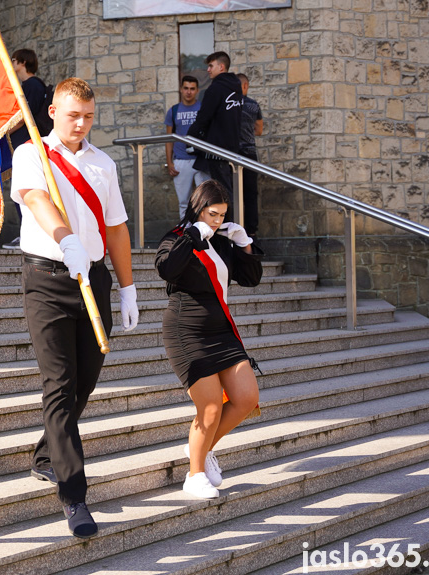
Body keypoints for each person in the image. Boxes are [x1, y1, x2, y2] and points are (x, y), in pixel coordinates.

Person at [11, 77, 139, 538]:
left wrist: (127, 287)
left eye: (88, 116)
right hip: (49, 279)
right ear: (52, 112)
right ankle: (74, 495)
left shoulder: (103, 162)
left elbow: (117, 227)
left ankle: (47, 454)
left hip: (94, 281)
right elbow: (36, 198)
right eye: (72, 116)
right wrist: (65, 240)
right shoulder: (31, 154)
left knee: (85, 379)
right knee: (60, 386)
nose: (81, 124)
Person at [154, 180, 263, 499]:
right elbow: (166, 269)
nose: (216, 221)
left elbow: (250, 279)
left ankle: (203, 448)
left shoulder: (222, 241)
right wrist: (191, 237)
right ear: (198, 208)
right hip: (186, 331)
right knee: (211, 406)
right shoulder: (177, 237)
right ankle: (195, 474)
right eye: (212, 214)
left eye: (222, 215)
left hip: (222, 332)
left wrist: (244, 244)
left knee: (245, 397)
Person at [3, 48, 49, 250]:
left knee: (26, 189)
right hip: (23, 144)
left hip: (27, 145)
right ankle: (26, 232)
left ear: (22, 62)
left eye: (14, 60)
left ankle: (28, 233)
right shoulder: (28, 85)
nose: (12, 64)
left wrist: (3, 133)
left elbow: (24, 117)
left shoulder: (32, 85)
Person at [186, 52, 243, 199]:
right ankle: (231, 220)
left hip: (217, 150)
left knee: (221, 192)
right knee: (230, 190)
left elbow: (203, 118)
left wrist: (190, 136)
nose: (208, 70)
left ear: (221, 67)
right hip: (233, 149)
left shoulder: (215, 88)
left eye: (211, 66)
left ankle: (227, 221)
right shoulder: (236, 89)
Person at [164, 75, 208, 218]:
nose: (189, 92)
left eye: (192, 89)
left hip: (200, 159)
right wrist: (169, 162)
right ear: (181, 90)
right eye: (186, 88)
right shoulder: (174, 111)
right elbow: (169, 139)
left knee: (205, 201)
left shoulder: (203, 109)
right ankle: (186, 234)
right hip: (181, 161)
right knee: (184, 202)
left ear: (197, 91)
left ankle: (203, 234)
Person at [237, 73, 263, 237]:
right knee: (250, 194)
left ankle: (232, 227)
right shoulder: (253, 105)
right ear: (246, 85)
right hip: (249, 153)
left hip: (230, 153)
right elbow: (259, 130)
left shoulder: (229, 104)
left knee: (231, 192)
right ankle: (251, 231)